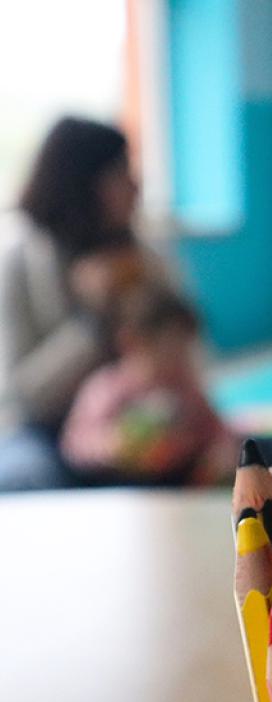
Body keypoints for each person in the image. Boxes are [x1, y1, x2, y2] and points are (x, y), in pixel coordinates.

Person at [0, 117, 158, 490]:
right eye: (122, 172)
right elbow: (24, 397)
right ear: (83, 184)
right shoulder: (21, 258)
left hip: (141, 421)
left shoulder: (141, 256)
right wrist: (92, 320)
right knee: (23, 480)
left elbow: (184, 353)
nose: (136, 186)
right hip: (48, 433)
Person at [60, 286, 239, 485]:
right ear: (132, 342)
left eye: (183, 350)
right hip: (129, 485)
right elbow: (75, 444)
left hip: (182, 480)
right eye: (169, 349)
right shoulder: (108, 387)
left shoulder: (183, 386)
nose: (178, 359)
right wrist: (111, 445)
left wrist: (221, 450)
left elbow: (215, 427)